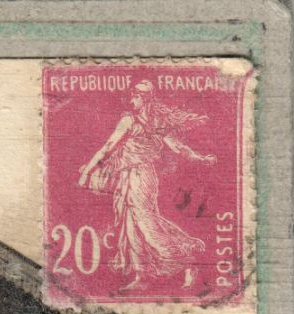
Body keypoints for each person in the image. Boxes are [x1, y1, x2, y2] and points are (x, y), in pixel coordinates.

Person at [76, 80, 216, 292]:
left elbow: (109, 147)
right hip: (127, 176)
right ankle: (142, 276)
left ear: (143, 99)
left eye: (134, 96)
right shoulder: (134, 120)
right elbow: (110, 148)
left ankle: (186, 261)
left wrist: (87, 171)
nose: (131, 100)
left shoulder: (146, 122)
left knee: (145, 223)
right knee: (132, 225)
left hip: (141, 176)